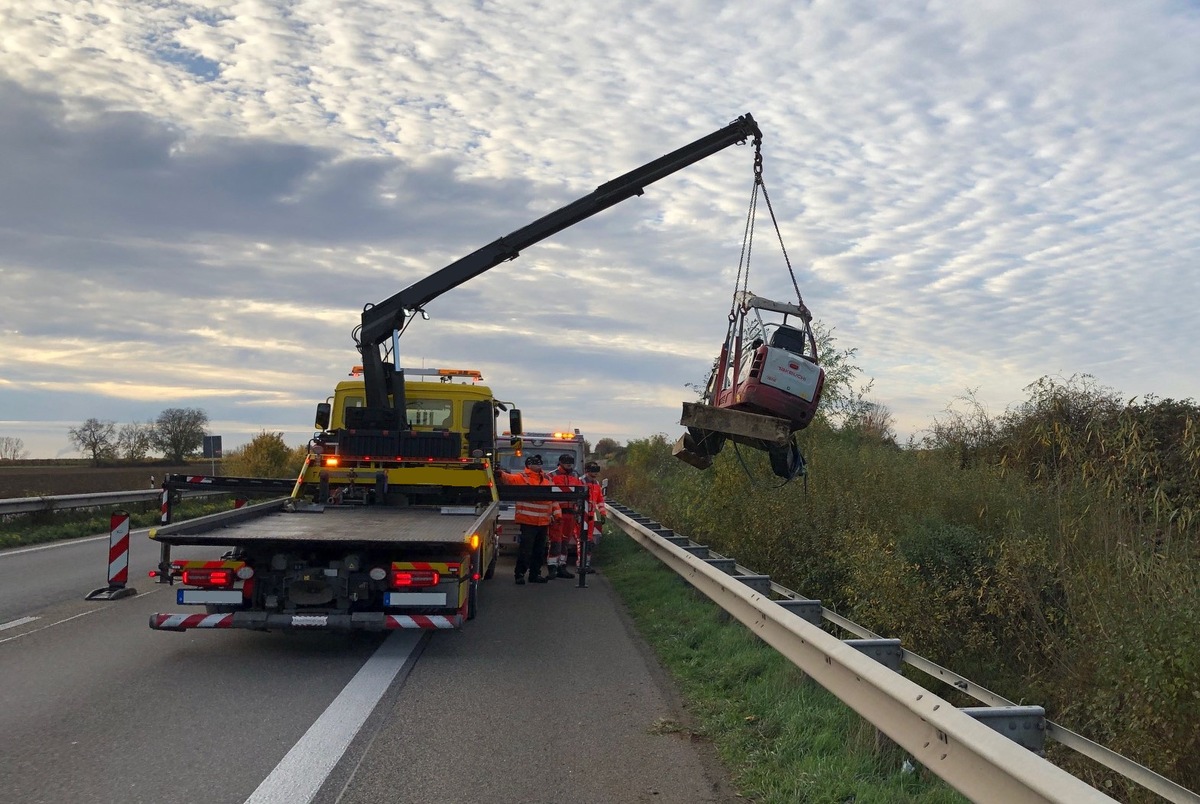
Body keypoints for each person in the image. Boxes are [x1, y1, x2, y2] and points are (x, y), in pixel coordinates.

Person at [494, 454, 559, 585]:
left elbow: (553, 499)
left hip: (543, 522)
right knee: (525, 550)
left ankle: (535, 574)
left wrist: (557, 514)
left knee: (539, 551)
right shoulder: (521, 478)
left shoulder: (547, 479)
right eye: (535, 463)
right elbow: (508, 479)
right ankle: (520, 574)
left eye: (540, 463)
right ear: (528, 465)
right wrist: (498, 473)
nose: (538, 465)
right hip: (528, 521)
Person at [546, 454, 583, 579]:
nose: (569, 464)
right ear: (560, 462)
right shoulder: (551, 475)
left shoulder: (575, 475)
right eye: (566, 461)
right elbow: (548, 496)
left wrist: (578, 511)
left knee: (565, 542)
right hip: (558, 513)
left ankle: (562, 566)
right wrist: (551, 512)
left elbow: (580, 494)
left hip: (571, 514)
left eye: (571, 461)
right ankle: (552, 568)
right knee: (556, 541)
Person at [580, 461, 606, 573]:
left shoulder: (596, 484)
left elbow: (600, 500)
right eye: (592, 470)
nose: (595, 473)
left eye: (596, 471)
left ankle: (586, 564)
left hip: (590, 516)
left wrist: (602, 513)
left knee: (589, 541)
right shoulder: (580, 482)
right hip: (581, 516)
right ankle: (580, 564)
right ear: (587, 471)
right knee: (581, 540)